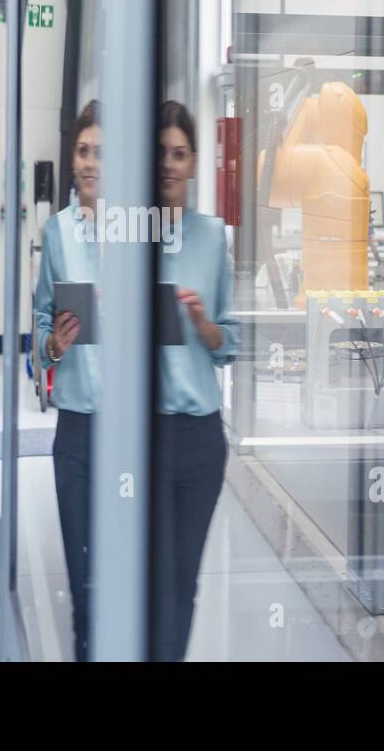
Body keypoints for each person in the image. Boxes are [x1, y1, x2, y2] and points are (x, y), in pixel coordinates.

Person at [151, 100, 237, 661]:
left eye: (179, 154)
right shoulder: (124, 233)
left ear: (194, 162)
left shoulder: (213, 238)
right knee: (144, 578)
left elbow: (228, 343)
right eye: (160, 153)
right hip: (144, 435)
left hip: (202, 438)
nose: (170, 164)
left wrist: (205, 324)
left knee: (183, 581)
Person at [32, 100, 102, 662]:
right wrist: (52, 345)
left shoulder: (149, 229)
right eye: (82, 150)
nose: (89, 162)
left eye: (101, 152)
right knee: (83, 572)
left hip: (138, 427)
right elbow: (38, 321)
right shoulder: (58, 232)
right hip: (77, 425)